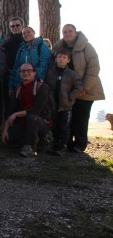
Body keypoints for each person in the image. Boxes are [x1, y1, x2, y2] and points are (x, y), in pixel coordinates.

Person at [52, 24, 104, 153]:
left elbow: (93, 68)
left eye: (70, 31)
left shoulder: (86, 46)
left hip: (86, 89)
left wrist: (85, 87)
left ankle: (80, 144)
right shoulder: (59, 47)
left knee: (81, 117)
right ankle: (66, 142)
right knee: (67, 116)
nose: (67, 33)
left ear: (76, 32)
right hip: (67, 89)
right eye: (65, 31)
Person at [2, 63, 51, 157]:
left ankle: (31, 147)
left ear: (34, 73)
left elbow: (36, 110)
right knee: (9, 139)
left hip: (41, 122)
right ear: (20, 73)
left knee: (33, 118)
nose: (26, 73)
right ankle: (37, 141)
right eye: (23, 71)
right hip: (24, 123)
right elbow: (11, 111)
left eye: (29, 70)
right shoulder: (18, 89)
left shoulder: (42, 87)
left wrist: (16, 114)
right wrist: (5, 129)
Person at [45, 48, 83, 156]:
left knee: (64, 127)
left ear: (68, 60)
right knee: (54, 126)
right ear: (56, 58)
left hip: (66, 106)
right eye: (59, 57)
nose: (61, 59)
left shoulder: (71, 73)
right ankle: (55, 145)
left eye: (64, 57)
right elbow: (47, 85)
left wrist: (71, 97)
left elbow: (79, 87)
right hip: (53, 104)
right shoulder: (50, 71)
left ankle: (62, 147)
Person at [9, 26, 52, 92]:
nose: (26, 34)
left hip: (35, 85)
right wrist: (11, 85)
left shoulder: (41, 46)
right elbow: (16, 67)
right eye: (24, 33)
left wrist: (38, 84)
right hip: (21, 85)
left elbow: (44, 66)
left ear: (34, 32)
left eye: (28, 32)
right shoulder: (22, 49)